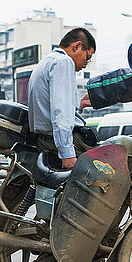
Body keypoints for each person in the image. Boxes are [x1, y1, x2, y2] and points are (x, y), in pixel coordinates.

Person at [27, 27, 96, 169]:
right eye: (87, 58)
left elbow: (52, 104)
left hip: (45, 140)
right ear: (77, 46)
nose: (84, 65)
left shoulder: (47, 61)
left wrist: (80, 104)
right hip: (57, 142)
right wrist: (67, 154)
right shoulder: (63, 62)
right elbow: (61, 112)